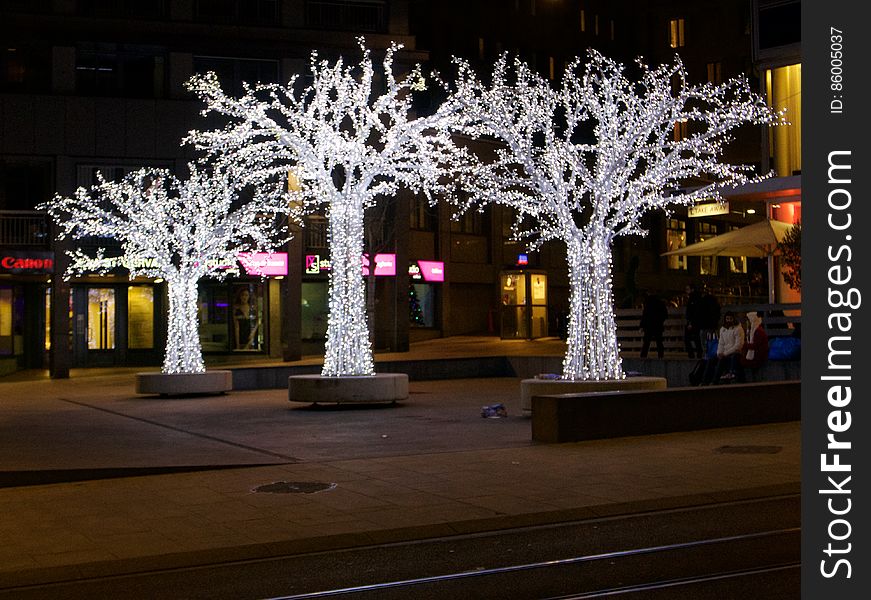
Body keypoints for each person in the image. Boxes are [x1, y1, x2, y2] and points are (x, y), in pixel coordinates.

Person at [701, 311, 744, 385]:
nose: (729, 320)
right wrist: (719, 353)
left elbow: (738, 345)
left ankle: (715, 381)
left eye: (730, 319)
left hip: (734, 352)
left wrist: (725, 354)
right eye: (727, 319)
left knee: (722, 361)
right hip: (724, 352)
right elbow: (721, 343)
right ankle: (705, 381)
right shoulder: (722, 329)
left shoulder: (738, 329)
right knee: (711, 360)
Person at [736, 310, 769, 382]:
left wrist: (744, 345)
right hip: (758, 354)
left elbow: (755, 346)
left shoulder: (758, 331)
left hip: (758, 356)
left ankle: (741, 380)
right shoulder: (756, 330)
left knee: (738, 360)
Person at [639, 291, 668, 358]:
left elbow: (645, 315)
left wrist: (642, 326)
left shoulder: (648, 303)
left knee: (646, 342)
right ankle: (661, 356)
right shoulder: (660, 303)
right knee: (659, 342)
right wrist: (660, 321)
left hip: (649, 326)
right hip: (658, 325)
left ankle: (643, 356)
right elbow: (665, 314)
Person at [683, 283, 704, 358]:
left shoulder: (693, 298)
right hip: (696, 322)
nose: (686, 291)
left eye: (687, 289)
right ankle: (698, 353)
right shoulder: (696, 297)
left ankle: (692, 354)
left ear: (692, 289)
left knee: (688, 338)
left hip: (693, 322)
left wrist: (690, 322)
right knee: (696, 338)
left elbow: (693, 312)